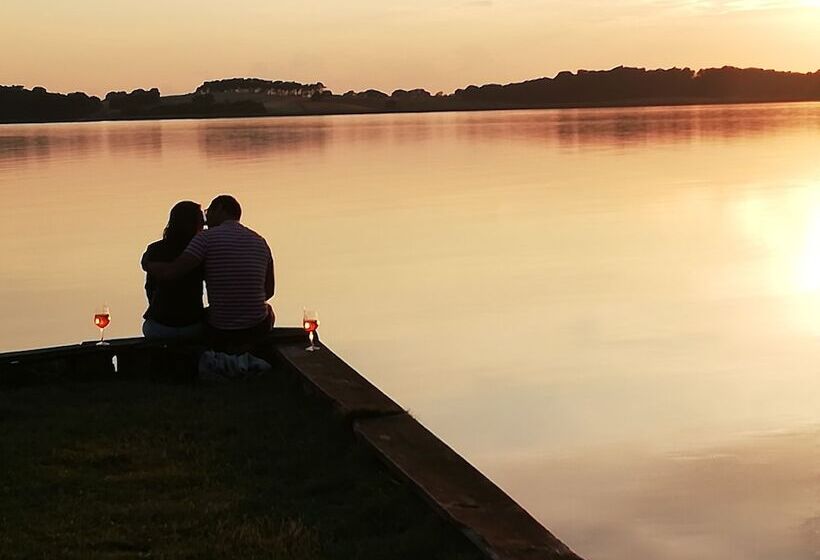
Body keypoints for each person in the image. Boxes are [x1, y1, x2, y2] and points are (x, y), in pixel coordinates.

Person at [142, 195, 275, 350]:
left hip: (218, 328)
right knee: (268, 310)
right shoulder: (260, 241)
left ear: (219, 209)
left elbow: (172, 272)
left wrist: (146, 264)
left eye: (208, 212)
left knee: (209, 315)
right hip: (256, 327)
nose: (205, 220)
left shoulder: (204, 240)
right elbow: (269, 291)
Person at [141, 201, 206, 340]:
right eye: (201, 221)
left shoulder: (155, 249)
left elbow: (149, 287)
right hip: (192, 325)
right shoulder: (200, 252)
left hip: (159, 326)